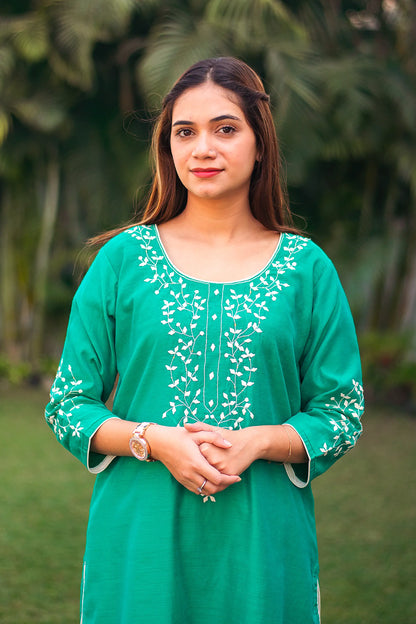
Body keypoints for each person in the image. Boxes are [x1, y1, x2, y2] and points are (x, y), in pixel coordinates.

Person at [45, 56, 364, 624]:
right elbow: (69, 405)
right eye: (184, 132)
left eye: (225, 128)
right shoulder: (122, 261)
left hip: (263, 544)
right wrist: (154, 440)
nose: (203, 149)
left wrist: (261, 440)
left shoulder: (306, 269)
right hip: (140, 539)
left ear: (259, 142)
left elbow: (340, 412)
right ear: (167, 147)